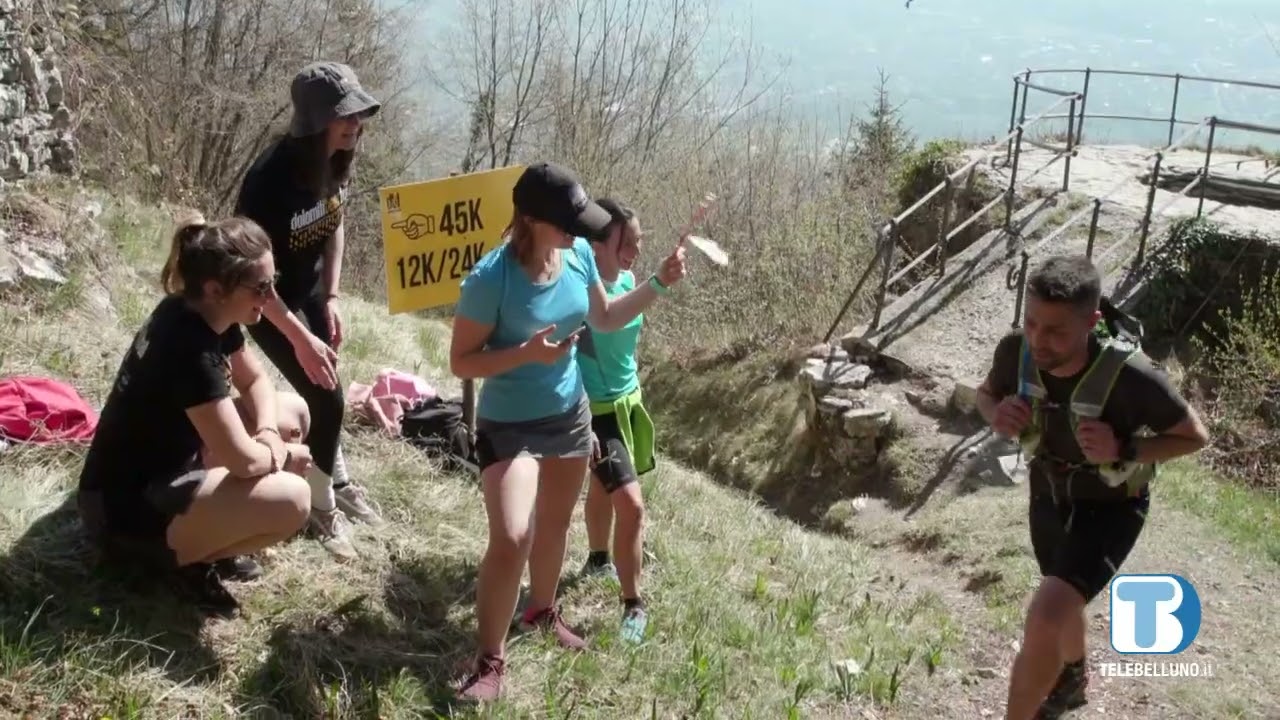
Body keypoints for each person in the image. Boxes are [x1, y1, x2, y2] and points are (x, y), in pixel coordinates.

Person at [448, 162, 687, 702]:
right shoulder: (492, 279)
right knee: (512, 536)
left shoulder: (578, 255)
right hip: (509, 424)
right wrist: (524, 354)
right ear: (531, 220)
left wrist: (658, 285)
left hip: (569, 416)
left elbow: (603, 319)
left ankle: (540, 611)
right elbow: (462, 362)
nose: (580, 233)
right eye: (568, 223)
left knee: (554, 527)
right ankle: (490, 662)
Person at [975, 255, 1209, 720]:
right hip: (1047, 496)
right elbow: (986, 394)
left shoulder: (1133, 376)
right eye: (1032, 322)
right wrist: (994, 415)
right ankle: (1073, 678)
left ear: (1092, 322)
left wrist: (1124, 447)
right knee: (1062, 599)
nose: (1039, 340)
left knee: (1045, 613)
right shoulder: (1015, 352)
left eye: (1056, 331)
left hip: (1112, 508)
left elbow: (1194, 436)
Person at [77, 215, 316, 618]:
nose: (270, 295)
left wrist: (270, 432)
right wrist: (280, 456)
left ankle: (205, 534)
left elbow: (255, 379)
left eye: (274, 281)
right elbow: (243, 461)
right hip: (124, 514)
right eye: (261, 287)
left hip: (167, 465)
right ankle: (184, 560)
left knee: (292, 411)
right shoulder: (190, 347)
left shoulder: (207, 311)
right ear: (215, 288)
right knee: (293, 499)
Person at [234, 60, 385, 561]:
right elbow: (250, 280)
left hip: (311, 291)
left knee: (327, 388)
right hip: (266, 298)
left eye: (359, 113)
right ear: (313, 120)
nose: (355, 124)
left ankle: (334, 475)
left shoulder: (338, 157)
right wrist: (298, 335)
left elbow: (334, 222)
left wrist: (335, 295)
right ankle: (321, 506)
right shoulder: (268, 182)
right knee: (327, 396)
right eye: (345, 116)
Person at [575, 198, 658, 645]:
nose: (635, 252)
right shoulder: (583, 292)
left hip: (628, 404)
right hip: (598, 413)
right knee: (631, 504)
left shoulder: (624, 279)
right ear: (598, 244)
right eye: (627, 242)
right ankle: (633, 603)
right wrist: (581, 420)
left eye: (639, 242)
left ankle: (597, 558)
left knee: (602, 490)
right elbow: (602, 324)